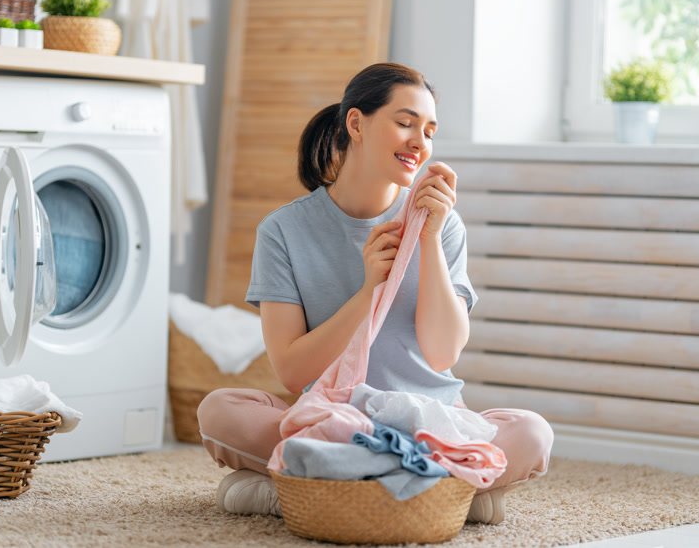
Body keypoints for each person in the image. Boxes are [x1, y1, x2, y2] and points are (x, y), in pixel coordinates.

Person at [198, 63, 553, 524]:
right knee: (221, 411)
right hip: (335, 420)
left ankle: (305, 485)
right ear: (356, 123)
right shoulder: (283, 231)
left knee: (531, 432)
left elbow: (442, 354)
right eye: (405, 123)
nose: (419, 142)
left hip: (431, 420)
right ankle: (447, 487)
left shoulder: (443, 225)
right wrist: (369, 292)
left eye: (428, 131)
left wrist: (426, 239)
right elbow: (292, 371)